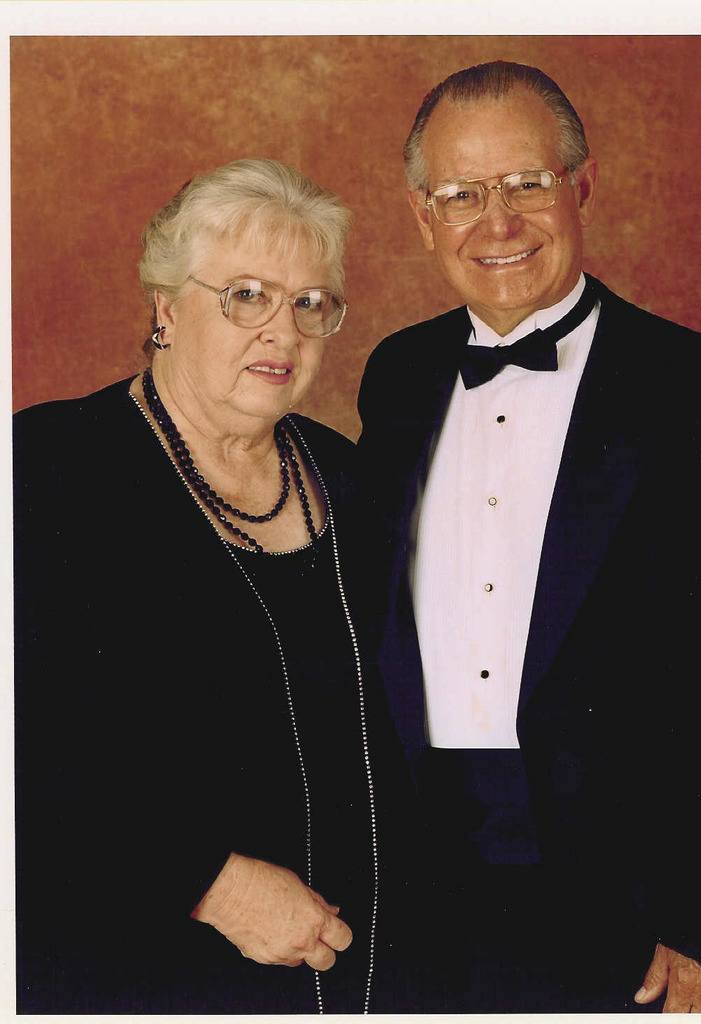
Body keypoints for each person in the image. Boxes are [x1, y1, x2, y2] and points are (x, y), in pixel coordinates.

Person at [356, 61, 701, 1014]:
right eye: (461, 194)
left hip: (636, 908)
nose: (495, 223)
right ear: (424, 216)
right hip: (420, 896)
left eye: (526, 184)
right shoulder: (397, 375)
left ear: (581, 185)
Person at [14, 157, 410, 1014]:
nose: (284, 331)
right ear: (165, 308)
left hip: (363, 973)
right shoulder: (46, 472)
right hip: (140, 966)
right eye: (246, 296)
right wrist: (205, 881)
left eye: (311, 303)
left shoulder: (346, 477)